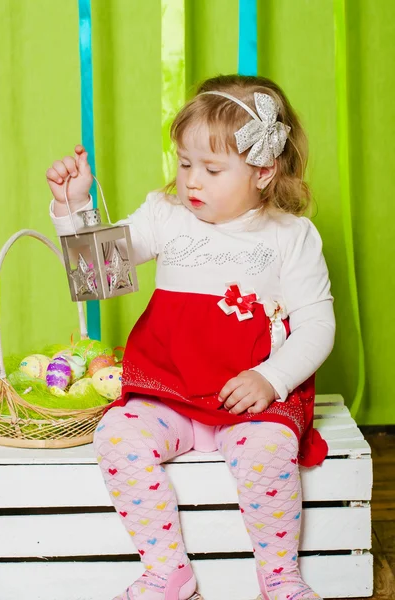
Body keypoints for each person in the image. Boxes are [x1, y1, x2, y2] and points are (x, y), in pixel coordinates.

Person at [47, 74, 335, 600]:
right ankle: (167, 570)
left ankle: (280, 578)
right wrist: (74, 209)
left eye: (212, 169)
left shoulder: (291, 236)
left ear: (265, 171)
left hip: (249, 400)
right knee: (116, 435)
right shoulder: (167, 216)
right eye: (184, 164)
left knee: (267, 454)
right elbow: (99, 276)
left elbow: (318, 325)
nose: (192, 181)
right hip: (169, 391)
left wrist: (272, 378)